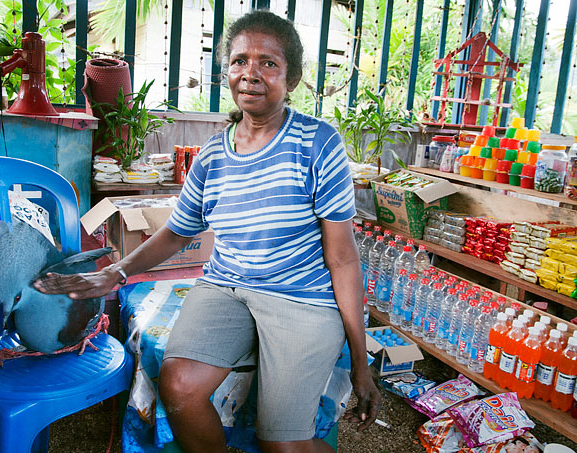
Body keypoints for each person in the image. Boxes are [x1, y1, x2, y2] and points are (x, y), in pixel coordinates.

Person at [35, 10, 380, 453]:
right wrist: (115, 272)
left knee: (282, 445)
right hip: (225, 288)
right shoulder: (214, 155)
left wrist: (360, 360)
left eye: (268, 63)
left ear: (291, 78)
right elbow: (178, 232)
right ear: (227, 72)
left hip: (301, 297)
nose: (250, 74)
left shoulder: (317, 142)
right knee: (179, 388)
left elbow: (343, 257)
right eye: (239, 61)